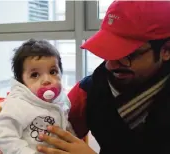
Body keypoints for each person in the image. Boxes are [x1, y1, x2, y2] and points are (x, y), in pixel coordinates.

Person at [36, 1, 170, 154]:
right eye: (109, 51)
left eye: (127, 54)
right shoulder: (89, 90)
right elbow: (46, 136)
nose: (111, 65)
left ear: (166, 50)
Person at [0, 39, 74, 154]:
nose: (47, 80)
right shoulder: (18, 103)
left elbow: (66, 125)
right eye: (35, 75)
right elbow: (4, 136)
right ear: (22, 82)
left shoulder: (62, 100)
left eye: (53, 72)